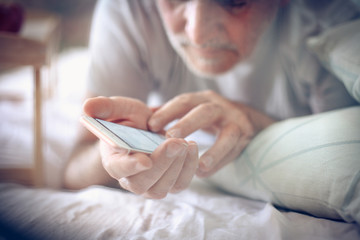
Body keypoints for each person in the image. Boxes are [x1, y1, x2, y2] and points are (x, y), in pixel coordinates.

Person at [63, 0, 359, 200]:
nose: (197, 32)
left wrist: (255, 125)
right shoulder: (131, 8)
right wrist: (116, 155)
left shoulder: (331, 19)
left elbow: (346, 164)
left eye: (234, 1)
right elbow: (72, 173)